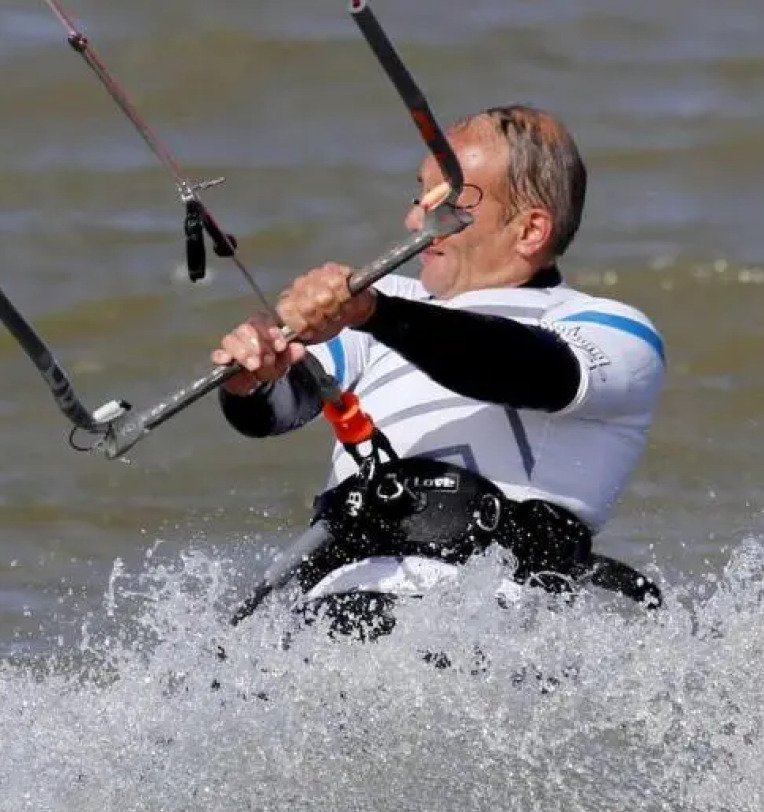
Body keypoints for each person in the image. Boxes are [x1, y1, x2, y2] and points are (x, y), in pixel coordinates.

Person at [211, 104, 665, 629]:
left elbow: (525, 369)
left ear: (530, 230)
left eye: (445, 201)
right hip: (335, 617)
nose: (413, 221)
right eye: (417, 196)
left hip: (491, 627)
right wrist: (251, 377)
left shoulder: (612, 329)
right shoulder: (383, 305)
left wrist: (376, 314)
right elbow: (276, 409)